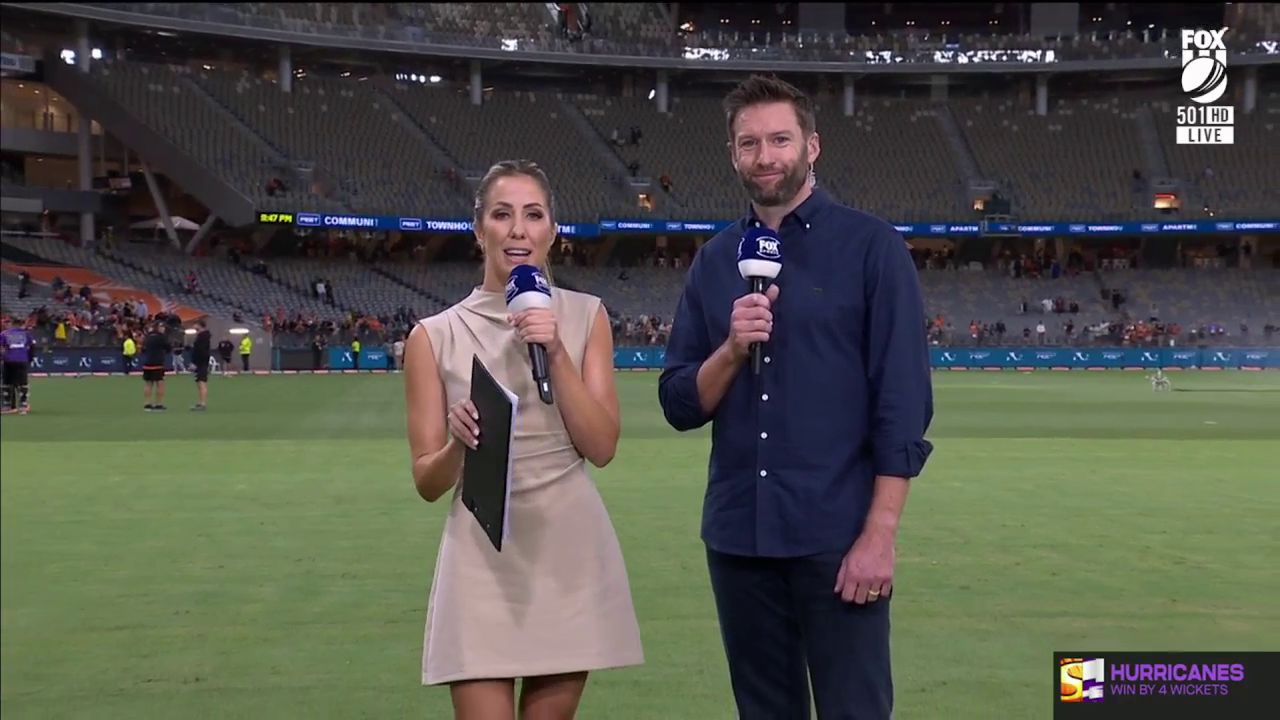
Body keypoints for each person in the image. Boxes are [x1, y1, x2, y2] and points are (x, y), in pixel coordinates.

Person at [657, 75, 934, 720]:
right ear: (733, 154)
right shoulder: (715, 260)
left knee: (855, 710)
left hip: (837, 538)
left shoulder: (871, 248)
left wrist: (880, 536)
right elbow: (678, 403)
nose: (765, 156)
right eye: (749, 143)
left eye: (780, 139)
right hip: (739, 537)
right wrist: (731, 349)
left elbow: (901, 405)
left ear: (812, 146)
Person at [403, 159, 643, 718]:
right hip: (481, 555)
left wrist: (555, 350)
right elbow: (427, 481)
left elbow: (602, 447)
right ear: (479, 228)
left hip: (569, 553)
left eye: (533, 215)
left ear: (552, 231)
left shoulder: (586, 317)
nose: (518, 230)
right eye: (502, 214)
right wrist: (458, 445)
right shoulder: (432, 336)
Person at [1, 316, 35, 414]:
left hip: (8, 361)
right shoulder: (26, 334)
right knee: (23, 383)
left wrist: (3, 357)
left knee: (7, 382)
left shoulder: (4, 333)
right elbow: (32, 346)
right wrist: (30, 358)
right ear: (22, 324)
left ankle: (7, 406)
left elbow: (1, 347)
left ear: (12, 323)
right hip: (21, 360)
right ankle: (23, 406)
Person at [140, 322, 170, 411]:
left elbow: (143, 349)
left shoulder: (148, 336)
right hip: (158, 363)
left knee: (148, 383)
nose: (164, 329)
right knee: (160, 383)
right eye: (162, 327)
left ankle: (147, 404)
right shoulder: (161, 337)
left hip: (147, 363)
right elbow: (168, 348)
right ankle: (159, 404)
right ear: (158, 328)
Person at [191, 320, 211, 410]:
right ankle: (200, 402)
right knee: (199, 382)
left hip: (201, 362)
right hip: (200, 362)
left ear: (200, 325)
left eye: (195, 324)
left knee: (202, 382)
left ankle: (203, 403)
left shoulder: (203, 337)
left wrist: (195, 363)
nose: (193, 326)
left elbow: (201, 351)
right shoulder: (201, 336)